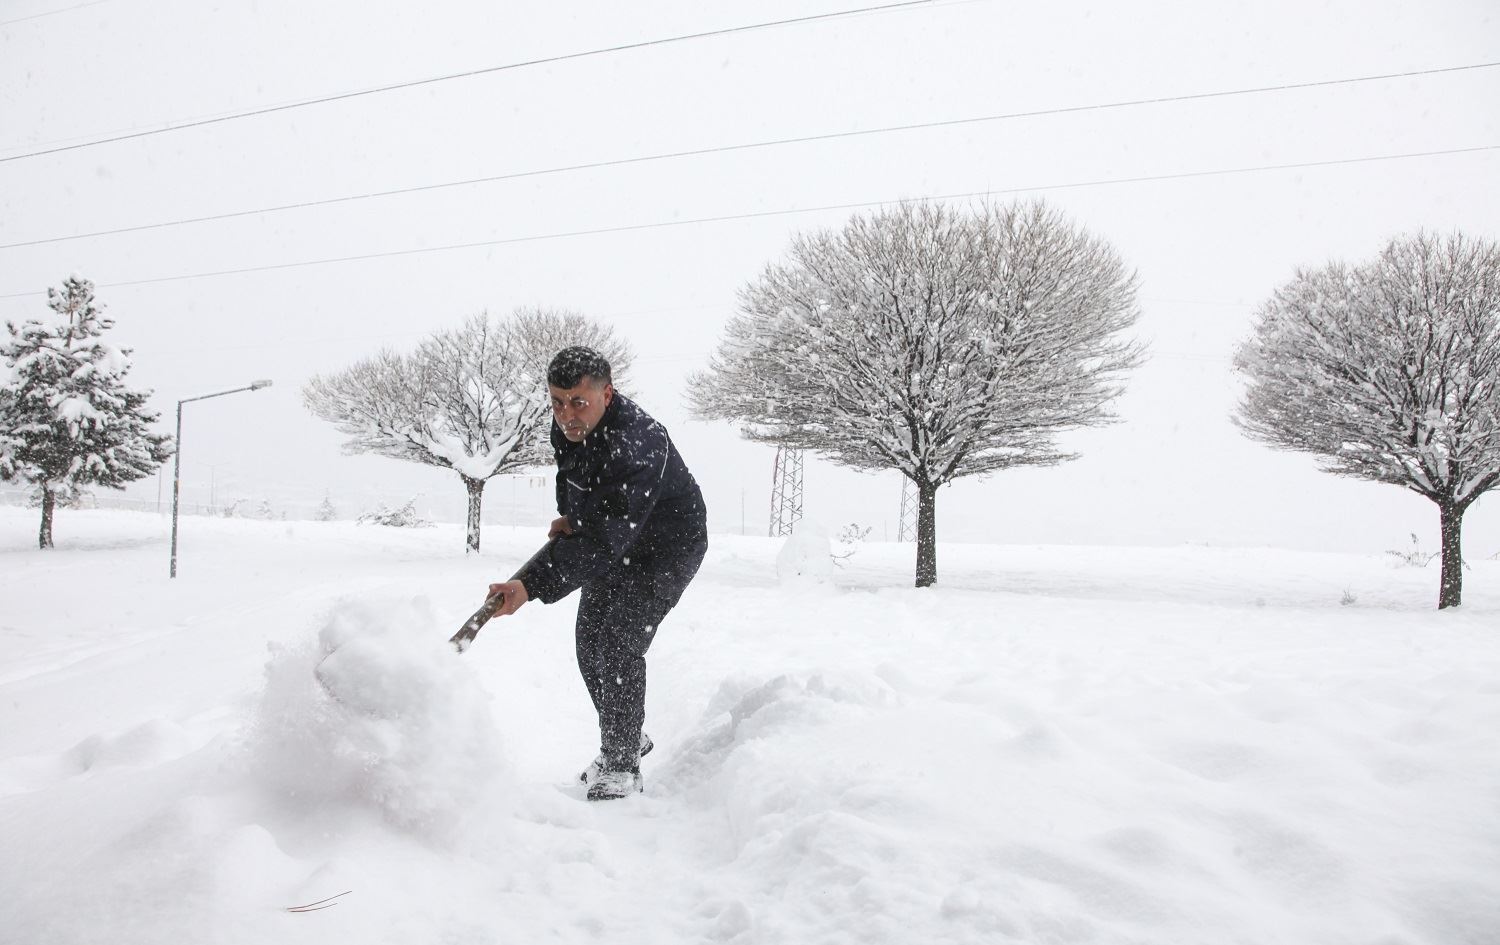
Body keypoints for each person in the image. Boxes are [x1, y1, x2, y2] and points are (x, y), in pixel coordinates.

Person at [488, 346, 708, 801]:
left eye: (578, 402)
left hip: (667, 547)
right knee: (589, 638)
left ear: (607, 393)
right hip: (617, 536)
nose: (566, 414)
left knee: (619, 640)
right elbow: (573, 476)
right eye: (557, 401)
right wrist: (570, 516)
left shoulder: (638, 442)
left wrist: (529, 586)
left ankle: (623, 762)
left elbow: (603, 542)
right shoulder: (569, 425)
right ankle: (627, 733)